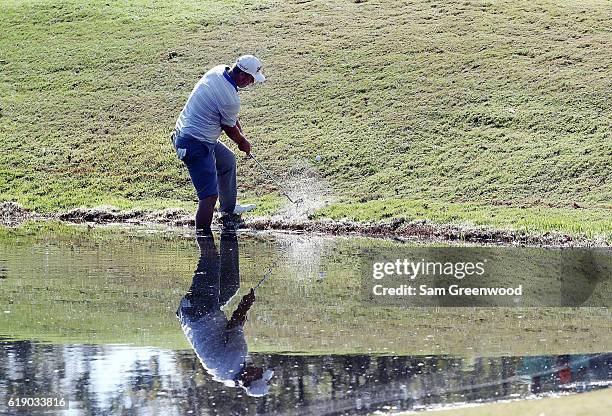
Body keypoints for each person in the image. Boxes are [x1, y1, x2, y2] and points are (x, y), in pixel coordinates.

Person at [172, 55, 266, 235]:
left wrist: (239, 132)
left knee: (227, 160)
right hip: (194, 143)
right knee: (208, 196)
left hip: (194, 135)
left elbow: (229, 119)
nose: (252, 84)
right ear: (243, 76)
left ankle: (228, 210)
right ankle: (204, 240)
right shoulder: (230, 98)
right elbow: (229, 128)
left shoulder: (219, 71)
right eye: (252, 80)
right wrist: (243, 142)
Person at [176, 233, 274, 397]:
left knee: (211, 258)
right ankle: (228, 230)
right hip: (190, 314)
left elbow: (235, 322)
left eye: (260, 373)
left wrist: (247, 303)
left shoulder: (238, 356)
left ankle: (211, 226)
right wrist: (241, 316)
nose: (260, 368)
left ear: (250, 377)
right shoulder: (227, 378)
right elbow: (230, 330)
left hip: (201, 309)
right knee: (231, 286)